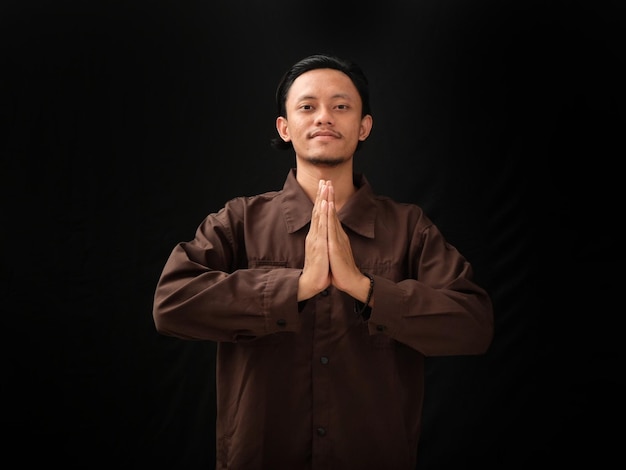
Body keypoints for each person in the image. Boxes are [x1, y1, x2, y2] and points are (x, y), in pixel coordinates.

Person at [152, 53, 494, 469]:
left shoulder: (409, 227)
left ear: (364, 125)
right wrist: (295, 287)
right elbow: (171, 304)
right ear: (285, 127)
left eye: (341, 106)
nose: (324, 117)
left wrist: (365, 288)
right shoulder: (239, 220)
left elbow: (474, 324)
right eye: (307, 106)